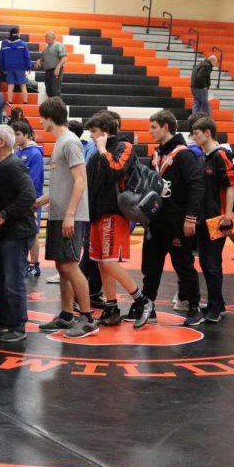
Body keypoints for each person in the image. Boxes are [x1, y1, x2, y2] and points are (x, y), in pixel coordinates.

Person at [125, 110, 203, 327]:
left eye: (153, 127)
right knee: (150, 266)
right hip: (155, 221)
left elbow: (197, 186)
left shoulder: (184, 154)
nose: (150, 132)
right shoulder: (156, 154)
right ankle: (148, 306)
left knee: (183, 265)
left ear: (166, 127)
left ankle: (195, 308)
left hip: (177, 221)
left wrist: (190, 217)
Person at [34, 98, 95, 337]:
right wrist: (44, 199)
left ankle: (88, 318)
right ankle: (67, 315)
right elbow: (66, 183)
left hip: (71, 215)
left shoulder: (70, 143)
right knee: (62, 266)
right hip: (60, 213)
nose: (40, 122)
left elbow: (81, 180)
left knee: (70, 265)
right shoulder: (62, 142)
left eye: (42, 118)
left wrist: (70, 214)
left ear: (50, 118)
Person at [81, 112, 147, 328]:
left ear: (106, 132)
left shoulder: (123, 146)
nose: (91, 136)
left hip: (115, 211)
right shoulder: (95, 155)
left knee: (109, 262)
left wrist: (101, 150)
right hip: (97, 213)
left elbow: (116, 170)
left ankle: (142, 301)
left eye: (94, 131)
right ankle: (111, 307)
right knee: (101, 262)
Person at [0, 124, 36, 342]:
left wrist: (3, 215)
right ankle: (4, 319)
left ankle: (18, 325)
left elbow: (28, 195)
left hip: (15, 232)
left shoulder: (13, 166)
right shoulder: (1, 164)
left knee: (13, 279)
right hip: (3, 231)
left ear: (1, 142)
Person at [189, 116, 234, 324]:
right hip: (203, 218)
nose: (193, 136)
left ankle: (215, 306)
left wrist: (227, 215)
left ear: (207, 133)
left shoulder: (220, 155)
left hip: (217, 218)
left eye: (196, 133)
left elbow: (230, 186)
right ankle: (218, 303)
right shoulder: (203, 157)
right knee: (207, 264)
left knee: (213, 264)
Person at [12, 121, 43, 277]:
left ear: (27, 135)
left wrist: (32, 201)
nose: (15, 137)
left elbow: (34, 179)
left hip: (31, 200)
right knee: (23, 231)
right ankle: (23, 263)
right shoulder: (17, 151)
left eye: (18, 134)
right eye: (14, 134)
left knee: (33, 232)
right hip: (18, 199)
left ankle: (34, 264)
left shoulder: (35, 153)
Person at [0, 27, 32, 106]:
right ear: (18, 33)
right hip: (20, 68)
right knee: (23, 85)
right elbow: (27, 57)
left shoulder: (4, 44)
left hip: (9, 68)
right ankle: (25, 103)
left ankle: (10, 102)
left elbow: (0, 57)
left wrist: (2, 67)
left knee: (10, 85)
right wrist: (29, 66)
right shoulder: (23, 44)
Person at [37, 31, 67, 98]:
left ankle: (58, 107)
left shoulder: (58, 45)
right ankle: (52, 106)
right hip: (48, 70)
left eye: (47, 37)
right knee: (49, 90)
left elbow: (64, 58)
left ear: (53, 37)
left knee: (55, 90)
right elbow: (43, 58)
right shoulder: (45, 47)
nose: (45, 39)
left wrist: (58, 68)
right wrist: (39, 61)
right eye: (45, 37)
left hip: (56, 69)